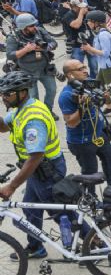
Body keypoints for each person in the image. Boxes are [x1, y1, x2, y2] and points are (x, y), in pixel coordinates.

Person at [0, 71, 68, 259]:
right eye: (2, 94)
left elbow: (36, 156)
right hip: (36, 172)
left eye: (7, 94)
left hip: (47, 170)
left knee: (59, 211)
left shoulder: (33, 119)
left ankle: (94, 242)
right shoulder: (20, 110)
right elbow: (3, 127)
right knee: (30, 208)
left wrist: (12, 186)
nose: (3, 97)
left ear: (22, 93)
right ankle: (36, 246)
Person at [59, 59, 111, 185]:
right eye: (80, 69)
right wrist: (83, 106)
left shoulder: (89, 83)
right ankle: (90, 198)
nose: (85, 70)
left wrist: (105, 97)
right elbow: (71, 122)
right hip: (82, 142)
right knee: (90, 175)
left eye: (85, 67)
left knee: (110, 159)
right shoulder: (66, 95)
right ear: (70, 75)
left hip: (99, 134)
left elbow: (100, 99)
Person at [6, 14, 59, 120]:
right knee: (33, 96)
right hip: (27, 71)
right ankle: (39, 114)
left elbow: (54, 43)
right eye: (31, 26)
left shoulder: (39, 31)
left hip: (45, 68)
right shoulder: (13, 37)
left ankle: (48, 110)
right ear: (23, 27)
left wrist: (45, 48)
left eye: (34, 25)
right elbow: (10, 55)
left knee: (52, 90)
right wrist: (26, 50)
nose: (34, 27)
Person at [80, 10, 111, 125]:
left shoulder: (103, 35)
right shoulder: (99, 33)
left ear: (96, 22)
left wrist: (90, 49)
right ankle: (109, 106)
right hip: (104, 66)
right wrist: (89, 49)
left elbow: (105, 53)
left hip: (109, 67)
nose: (87, 23)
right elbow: (98, 53)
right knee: (98, 85)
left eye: (89, 21)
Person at [62, 0, 98, 79]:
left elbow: (92, 26)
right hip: (77, 46)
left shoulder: (85, 14)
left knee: (94, 66)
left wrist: (88, 15)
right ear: (75, 6)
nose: (83, 8)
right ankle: (80, 84)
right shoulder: (68, 15)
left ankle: (93, 82)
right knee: (78, 69)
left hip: (89, 44)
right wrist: (81, 14)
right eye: (80, 7)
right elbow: (76, 25)